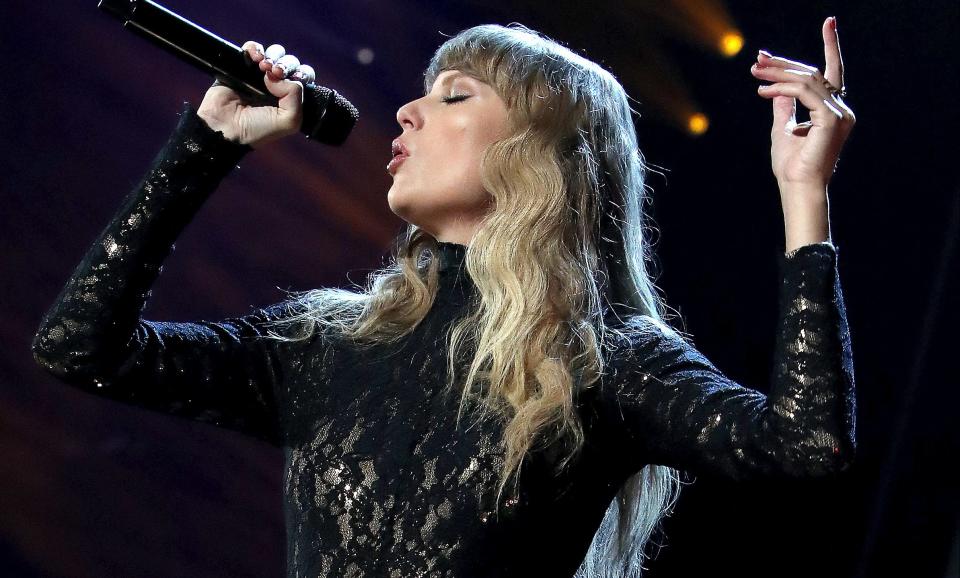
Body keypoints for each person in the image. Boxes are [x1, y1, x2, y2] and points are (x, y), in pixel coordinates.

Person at [31, 19, 856, 578]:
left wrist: (802, 191)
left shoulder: (603, 360)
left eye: (454, 93)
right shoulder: (332, 341)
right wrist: (206, 144)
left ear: (543, 154)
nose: (409, 109)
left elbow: (807, 447)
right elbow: (80, 347)